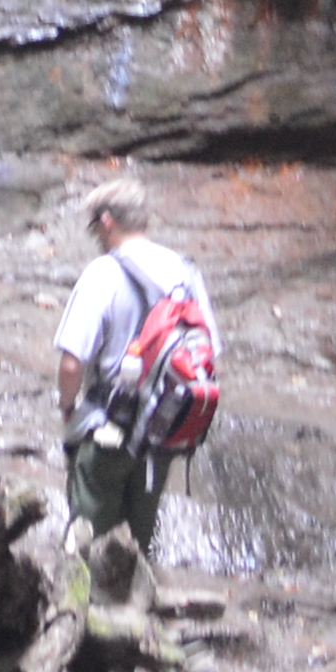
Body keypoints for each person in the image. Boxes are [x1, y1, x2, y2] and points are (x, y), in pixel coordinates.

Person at [44, 180, 214, 560]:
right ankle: (137, 608)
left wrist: (68, 408)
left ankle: (84, 609)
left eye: (94, 228)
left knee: (87, 543)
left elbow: (72, 363)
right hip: (161, 432)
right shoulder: (185, 273)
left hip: (108, 428)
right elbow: (208, 350)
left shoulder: (102, 274)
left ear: (106, 222)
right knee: (138, 546)